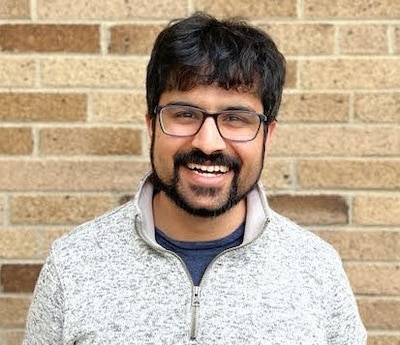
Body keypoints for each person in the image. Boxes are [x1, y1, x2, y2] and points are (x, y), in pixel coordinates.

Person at [23, 12, 367, 344]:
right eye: (185, 114)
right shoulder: (73, 264)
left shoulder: (317, 269)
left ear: (268, 134)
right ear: (151, 125)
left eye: (235, 118)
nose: (208, 142)